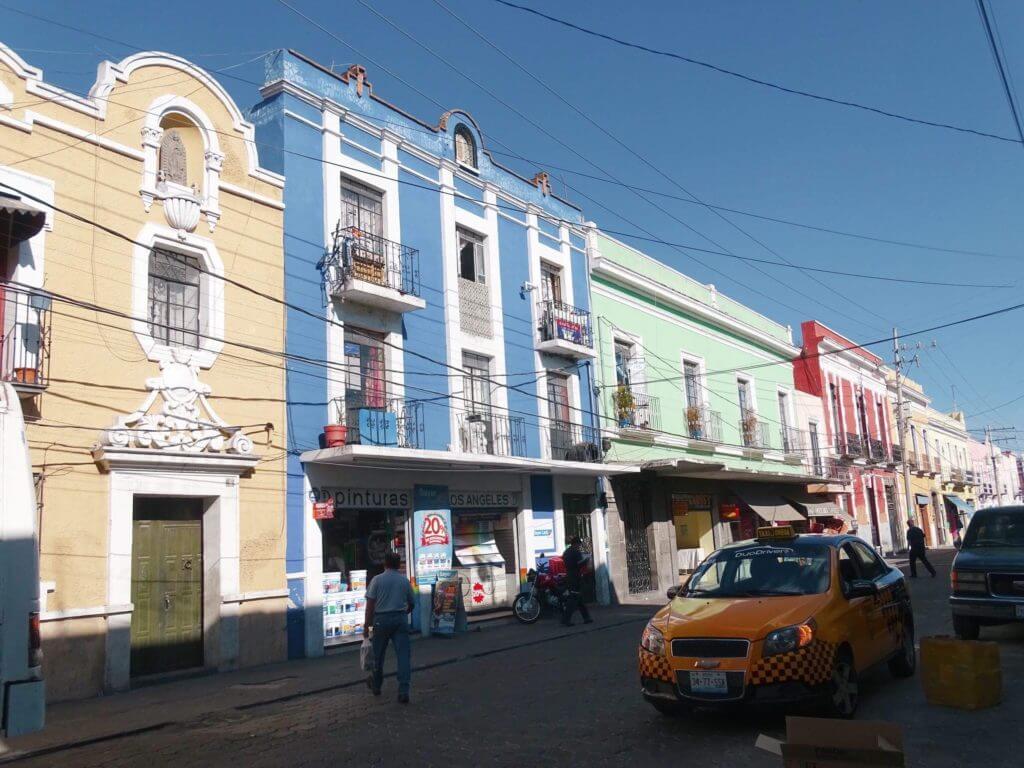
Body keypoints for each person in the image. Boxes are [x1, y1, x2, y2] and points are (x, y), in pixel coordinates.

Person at [364, 550, 415, 703]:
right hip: (400, 619)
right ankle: (403, 691)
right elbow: (412, 603)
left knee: (378, 655)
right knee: (403, 656)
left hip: (381, 620)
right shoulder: (404, 581)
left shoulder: (376, 580)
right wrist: (404, 613)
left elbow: (370, 606)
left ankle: (377, 685)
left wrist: (367, 626)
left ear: (384, 563)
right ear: (398, 565)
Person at [561, 536, 593, 627]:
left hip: (569, 576)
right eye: (579, 544)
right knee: (574, 598)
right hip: (575, 577)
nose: (579, 546)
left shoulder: (566, 552)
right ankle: (566, 619)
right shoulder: (576, 552)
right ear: (576, 544)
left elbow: (566, 563)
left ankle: (586, 618)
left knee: (579, 598)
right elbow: (578, 564)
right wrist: (586, 560)